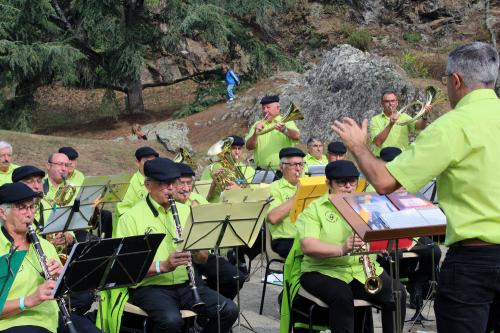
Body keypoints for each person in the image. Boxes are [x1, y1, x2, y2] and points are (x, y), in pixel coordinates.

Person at [332, 41, 500, 333]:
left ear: (456, 80)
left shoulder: (453, 126)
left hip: (474, 262)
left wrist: (359, 147)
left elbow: (384, 182)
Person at [116, 158, 238, 333]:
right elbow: (126, 268)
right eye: (164, 185)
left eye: (173, 183)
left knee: (228, 310)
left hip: (186, 283)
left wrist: (197, 249)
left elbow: (203, 260)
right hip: (150, 287)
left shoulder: (185, 211)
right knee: (171, 322)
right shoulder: (130, 218)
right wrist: (163, 266)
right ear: (148, 185)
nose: (171, 189)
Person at [296, 160, 406, 333]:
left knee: (397, 292)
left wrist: (385, 241)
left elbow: (384, 235)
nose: (348, 186)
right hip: (322, 271)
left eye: (352, 181)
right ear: (328, 183)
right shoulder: (314, 210)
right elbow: (308, 246)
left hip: (362, 271)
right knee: (341, 296)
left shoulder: (367, 206)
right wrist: (342, 248)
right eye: (341, 182)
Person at [0, 182, 99, 333]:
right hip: (13, 322)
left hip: (51, 318)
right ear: (2, 213)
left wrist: (63, 276)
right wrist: (28, 300)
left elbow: (65, 293)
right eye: (22, 208)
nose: (29, 214)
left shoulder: (45, 246)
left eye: (32, 207)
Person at [174, 162, 245, 300]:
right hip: (180, 257)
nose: (186, 188)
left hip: (203, 253)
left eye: (189, 183)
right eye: (181, 183)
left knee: (235, 277)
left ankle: (217, 309)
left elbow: (218, 221)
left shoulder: (198, 199)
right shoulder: (168, 204)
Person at [267, 147, 305, 258]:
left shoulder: (309, 183)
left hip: (310, 236)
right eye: (294, 165)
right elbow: (273, 218)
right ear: (281, 167)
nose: (298, 169)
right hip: (286, 239)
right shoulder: (273, 188)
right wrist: (298, 195)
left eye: (301, 164)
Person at [245, 95, 300, 171]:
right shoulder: (257, 124)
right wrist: (255, 134)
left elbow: (297, 136)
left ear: (278, 108)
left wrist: (284, 130)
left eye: (268, 107)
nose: (265, 110)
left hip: (283, 170)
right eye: (263, 108)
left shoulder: (286, 121)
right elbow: (249, 147)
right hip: (261, 170)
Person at [369, 90, 431, 156]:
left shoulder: (404, 116)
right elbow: (378, 142)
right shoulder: (375, 120)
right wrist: (390, 124)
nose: (390, 104)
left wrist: (425, 116)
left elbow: (420, 127)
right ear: (382, 103)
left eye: (393, 101)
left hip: (400, 158)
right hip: (382, 158)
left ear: (397, 102)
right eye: (387, 101)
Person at [201, 135, 255, 202]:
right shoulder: (211, 169)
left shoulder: (248, 169)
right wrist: (213, 184)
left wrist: (239, 189)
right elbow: (202, 198)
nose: (237, 152)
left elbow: (253, 194)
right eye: (234, 148)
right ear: (226, 150)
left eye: (239, 148)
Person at [114, 146, 159, 226]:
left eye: (153, 161)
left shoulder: (159, 181)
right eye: (146, 161)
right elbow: (123, 212)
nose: (150, 165)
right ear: (137, 163)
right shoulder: (128, 183)